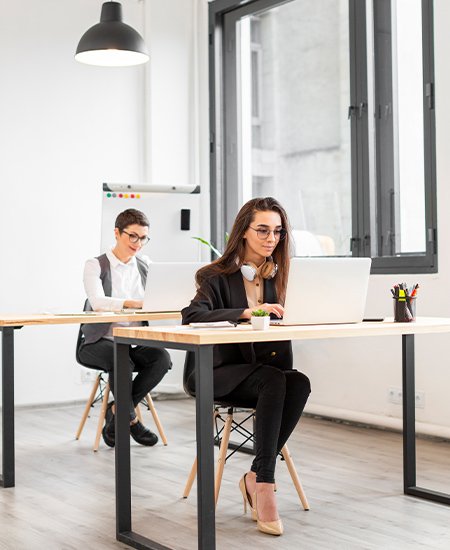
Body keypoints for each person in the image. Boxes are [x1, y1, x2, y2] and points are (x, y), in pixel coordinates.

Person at [181, 197, 311, 536]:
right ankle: (265, 485)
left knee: (298, 383)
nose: (271, 239)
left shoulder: (280, 277)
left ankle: (254, 476)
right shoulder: (214, 276)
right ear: (243, 232)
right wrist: (246, 312)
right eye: (263, 230)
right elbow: (191, 315)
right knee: (274, 380)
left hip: (264, 370)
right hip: (218, 372)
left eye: (278, 232)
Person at [77, 208, 171, 448]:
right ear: (117, 233)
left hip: (133, 342)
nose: (138, 243)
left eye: (143, 238)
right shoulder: (95, 265)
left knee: (161, 358)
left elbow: (158, 298)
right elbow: (98, 302)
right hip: (98, 342)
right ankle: (131, 421)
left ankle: (117, 410)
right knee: (121, 359)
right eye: (133, 236)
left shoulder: (146, 265)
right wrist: (134, 303)